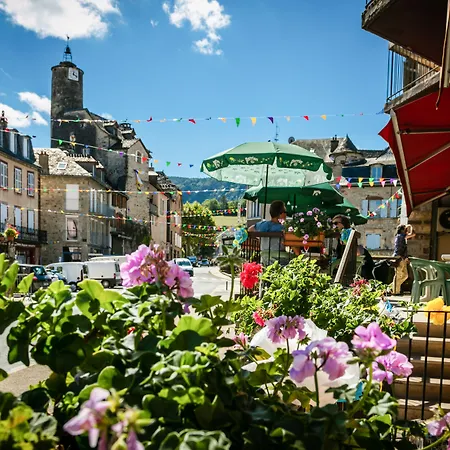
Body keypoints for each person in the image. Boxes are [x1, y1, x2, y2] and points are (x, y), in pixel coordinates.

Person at [248, 200, 287, 265]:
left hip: (264, 258)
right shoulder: (283, 228)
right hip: (279, 259)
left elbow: (250, 229)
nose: (286, 214)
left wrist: (259, 238)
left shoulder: (262, 225)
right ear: (281, 214)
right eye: (285, 212)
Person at [392, 224, 415, 295]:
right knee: (400, 275)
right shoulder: (401, 236)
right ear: (402, 230)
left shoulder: (399, 236)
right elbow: (413, 234)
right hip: (400, 258)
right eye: (405, 229)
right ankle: (395, 291)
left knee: (404, 275)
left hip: (401, 258)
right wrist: (410, 226)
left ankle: (393, 288)